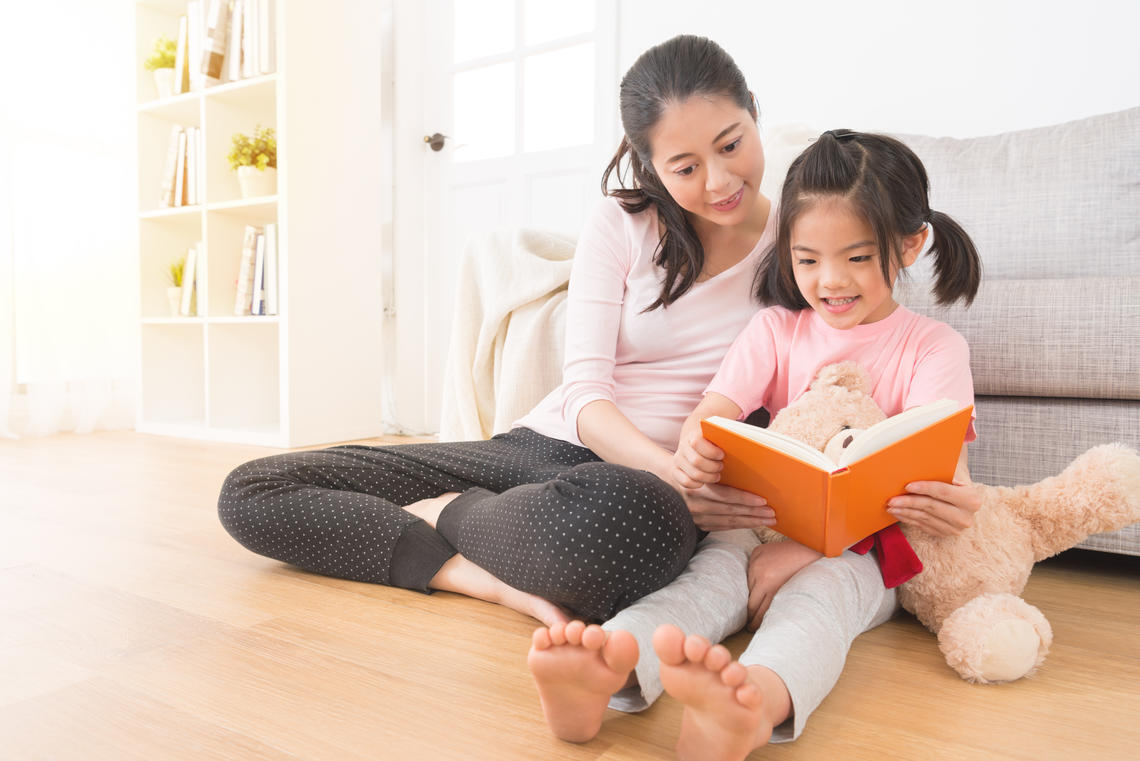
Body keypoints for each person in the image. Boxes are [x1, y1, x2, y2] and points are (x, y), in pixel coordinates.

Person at [216, 35, 774, 632]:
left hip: (640, 496)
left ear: (753, 112)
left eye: (731, 145)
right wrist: (674, 476)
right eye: (685, 168)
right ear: (653, 169)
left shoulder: (809, 247)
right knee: (252, 490)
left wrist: (680, 485)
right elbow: (585, 392)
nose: (719, 182)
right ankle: (462, 557)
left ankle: (461, 526)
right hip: (546, 452)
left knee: (640, 527)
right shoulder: (623, 223)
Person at [528, 129, 983, 760]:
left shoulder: (933, 349)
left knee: (821, 601)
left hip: (870, 548)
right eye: (807, 259)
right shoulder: (775, 328)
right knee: (705, 578)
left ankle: (753, 704)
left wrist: (948, 507)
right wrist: (695, 448)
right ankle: (614, 665)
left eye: (856, 258)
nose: (830, 282)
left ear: (909, 246)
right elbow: (713, 414)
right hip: (761, 522)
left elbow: (944, 478)